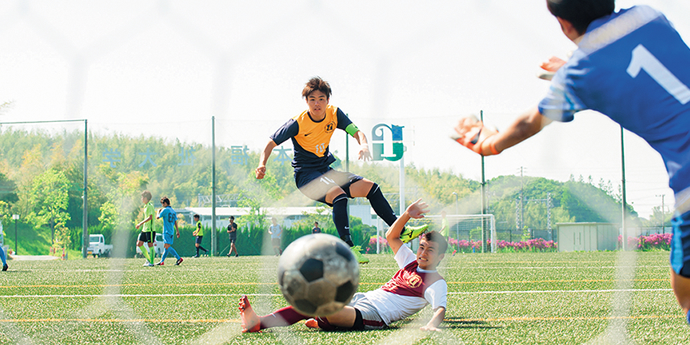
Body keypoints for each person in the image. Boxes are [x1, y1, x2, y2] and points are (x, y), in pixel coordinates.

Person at [453, 0, 690, 325]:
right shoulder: (649, 15)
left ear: (563, 24)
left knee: (687, 293)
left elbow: (529, 122)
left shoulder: (581, 74)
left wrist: (490, 144)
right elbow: (646, 67)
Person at [255, 77, 427, 264]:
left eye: (321, 98)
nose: (317, 103)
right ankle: (349, 247)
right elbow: (270, 142)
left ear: (328, 100)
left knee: (371, 188)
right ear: (306, 101)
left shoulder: (334, 114)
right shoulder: (297, 123)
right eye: (312, 99)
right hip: (307, 177)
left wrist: (364, 146)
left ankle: (400, 231)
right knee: (339, 195)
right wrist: (262, 164)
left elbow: (357, 131)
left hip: (326, 171)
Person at [239, 198, 447, 332]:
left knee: (316, 303)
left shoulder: (435, 282)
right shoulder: (410, 262)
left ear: (440, 257)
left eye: (430, 250)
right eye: (421, 247)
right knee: (313, 300)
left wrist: (431, 326)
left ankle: (268, 322)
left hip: (375, 314)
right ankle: (314, 321)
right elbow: (391, 236)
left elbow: (439, 309)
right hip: (361, 298)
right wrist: (407, 215)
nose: (423, 253)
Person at [156, 196, 183, 266]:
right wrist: (177, 231)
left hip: (166, 231)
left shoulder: (165, 210)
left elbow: (157, 217)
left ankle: (178, 258)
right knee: (166, 247)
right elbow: (175, 221)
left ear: (165, 203)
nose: (162, 205)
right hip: (171, 231)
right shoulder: (173, 211)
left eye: (162, 203)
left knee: (167, 246)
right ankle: (162, 261)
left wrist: (158, 212)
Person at [134, 190, 156, 267]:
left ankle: (151, 262)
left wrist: (140, 223)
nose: (141, 199)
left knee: (150, 245)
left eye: (142, 197)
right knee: (139, 244)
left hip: (150, 229)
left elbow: (150, 217)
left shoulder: (150, 205)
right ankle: (149, 259)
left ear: (146, 198)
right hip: (145, 229)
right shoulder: (146, 206)